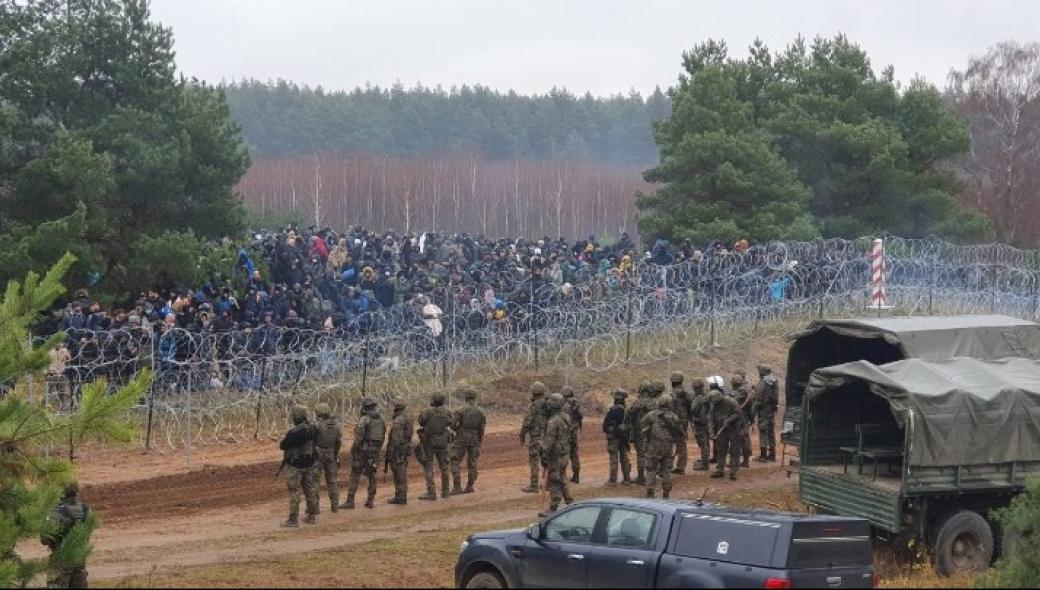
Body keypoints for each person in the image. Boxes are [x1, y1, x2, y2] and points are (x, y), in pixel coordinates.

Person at [41, 482, 91, 589]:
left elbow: (44, 539)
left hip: (60, 560)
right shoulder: (85, 509)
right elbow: (87, 531)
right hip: (80, 560)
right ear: (76, 491)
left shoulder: (55, 513)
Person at [279, 405, 319, 527]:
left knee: (294, 491)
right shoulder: (313, 428)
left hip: (296, 465)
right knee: (310, 489)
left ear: (296, 418)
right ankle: (311, 516)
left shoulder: (294, 432)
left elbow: (283, 445)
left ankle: (293, 520)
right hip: (310, 463)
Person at [342, 398, 385, 510]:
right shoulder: (381, 419)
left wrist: (354, 450)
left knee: (355, 474)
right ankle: (370, 500)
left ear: (365, 407)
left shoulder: (364, 419)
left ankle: (350, 501)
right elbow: (383, 436)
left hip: (363, 451)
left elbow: (358, 438)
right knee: (372, 475)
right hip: (375, 451)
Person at [539, 393, 574, 517]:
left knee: (555, 481)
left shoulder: (553, 421)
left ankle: (553, 509)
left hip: (556, 455)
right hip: (564, 453)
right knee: (562, 478)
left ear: (553, 405)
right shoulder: (566, 417)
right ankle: (570, 502)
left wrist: (544, 455)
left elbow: (549, 442)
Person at [641, 394, 682, 498]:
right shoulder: (674, 416)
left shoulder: (651, 415)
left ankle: (650, 492)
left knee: (650, 470)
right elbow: (679, 432)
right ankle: (666, 493)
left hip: (653, 447)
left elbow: (642, 425)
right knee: (666, 470)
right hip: (668, 447)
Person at [450, 387, 486, 495]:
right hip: (474, 437)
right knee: (472, 462)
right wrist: (479, 439)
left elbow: (452, 425)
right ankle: (470, 486)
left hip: (461, 437)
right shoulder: (480, 411)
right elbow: (482, 428)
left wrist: (458, 430)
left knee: (455, 460)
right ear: (475, 397)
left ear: (465, 397)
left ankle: (457, 487)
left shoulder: (460, 410)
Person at [708, 376, 744, 481]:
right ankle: (720, 470)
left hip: (734, 429)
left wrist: (729, 420)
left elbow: (738, 413)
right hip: (721, 430)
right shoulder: (713, 405)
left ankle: (733, 471)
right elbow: (710, 420)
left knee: (734, 450)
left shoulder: (730, 401)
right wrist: (711, 433)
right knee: (721, 450)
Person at [418, 392, 453, 500]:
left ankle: (431, 492)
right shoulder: (447, 412)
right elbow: (450, 422)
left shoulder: (427, 411)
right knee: (445, 467)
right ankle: (446, 492)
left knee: (428, 466)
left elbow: (421, 422)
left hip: (429, 441)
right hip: (443, 441)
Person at [519, 381, 548, 493]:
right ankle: (548, 483)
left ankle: (534, 485)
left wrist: (522, 434)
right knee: (546, 461)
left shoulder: (534, 406)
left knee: (534, 461)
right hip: (547, 436)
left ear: (534, 393)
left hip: (536, 437)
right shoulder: (549, 404)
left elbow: (528, 422)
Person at [312, 402, 342, 513]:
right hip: (331, 453)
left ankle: (315, 507)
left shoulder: (317, 425)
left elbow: (312, 440)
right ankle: (335, 505)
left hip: (318, 453)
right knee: (332, 480)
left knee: (315, 481)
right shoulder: (336, 425)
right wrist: (335, 454)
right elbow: (338, 442)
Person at [602, 388, 632, 486]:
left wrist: (609, 430)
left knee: (614, 459)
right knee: (624, 458)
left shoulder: (612, 410)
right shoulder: (627, 410)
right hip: (624, 437)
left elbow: (605, 426)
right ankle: (627, 479)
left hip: (614, 437)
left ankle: (612, 480)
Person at [386, 399, 413, 504]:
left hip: (399, 449)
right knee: (401, 472)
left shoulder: (399, 419)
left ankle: (401, 496)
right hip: (404, 447)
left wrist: (392, 450)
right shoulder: (407, 417)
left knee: (399, 473)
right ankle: (401, 495)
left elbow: (396, 438)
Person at [626, 381, 652, 484]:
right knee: (651, 453)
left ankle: (641, 476)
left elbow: (629, 414)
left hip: (639, 431)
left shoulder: (638, 402)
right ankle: (652, 475)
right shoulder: (653, 402)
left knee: (641, 454)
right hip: (652, 431)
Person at [753, 364, 780, 462]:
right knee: (771, 433)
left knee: (763, 432)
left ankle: (763, 456)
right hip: (771, 411)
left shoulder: (763, 383)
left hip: (763, 412)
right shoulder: (774, 381)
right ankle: (772, 455)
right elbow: (775, 398)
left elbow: (758, 400)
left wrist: (753, 413)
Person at [669, 372, 692, 475]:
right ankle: (681, 466)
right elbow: (690, 406)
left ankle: (668, 466)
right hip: (683, 420)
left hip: (673, 420)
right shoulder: (686, 393)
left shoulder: (672, 394)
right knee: (681, 444)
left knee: (670, 443)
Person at [730, 372, 753, 468]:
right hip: (744, 418)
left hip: (737, 419)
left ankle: (735, 461)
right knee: (745, 439)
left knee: (736, 440)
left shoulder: (735, 393)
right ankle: (745, 460)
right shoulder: (747, 392)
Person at [561, 386, 583, 483]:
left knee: (564, 454)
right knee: (574, 455)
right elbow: (580, 416)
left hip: (565, 433)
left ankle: (563, 477)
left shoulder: (563, 404)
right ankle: (576, 476)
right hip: (574, 432)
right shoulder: (576, 403)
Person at [688, 377, 711, 471]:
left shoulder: (698, 399)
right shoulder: (707, 396)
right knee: (706, 443)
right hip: (707, 422)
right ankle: (704, 461)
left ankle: (705, 465)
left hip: (699, 423)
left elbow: (693, 410)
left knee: (703, 444)